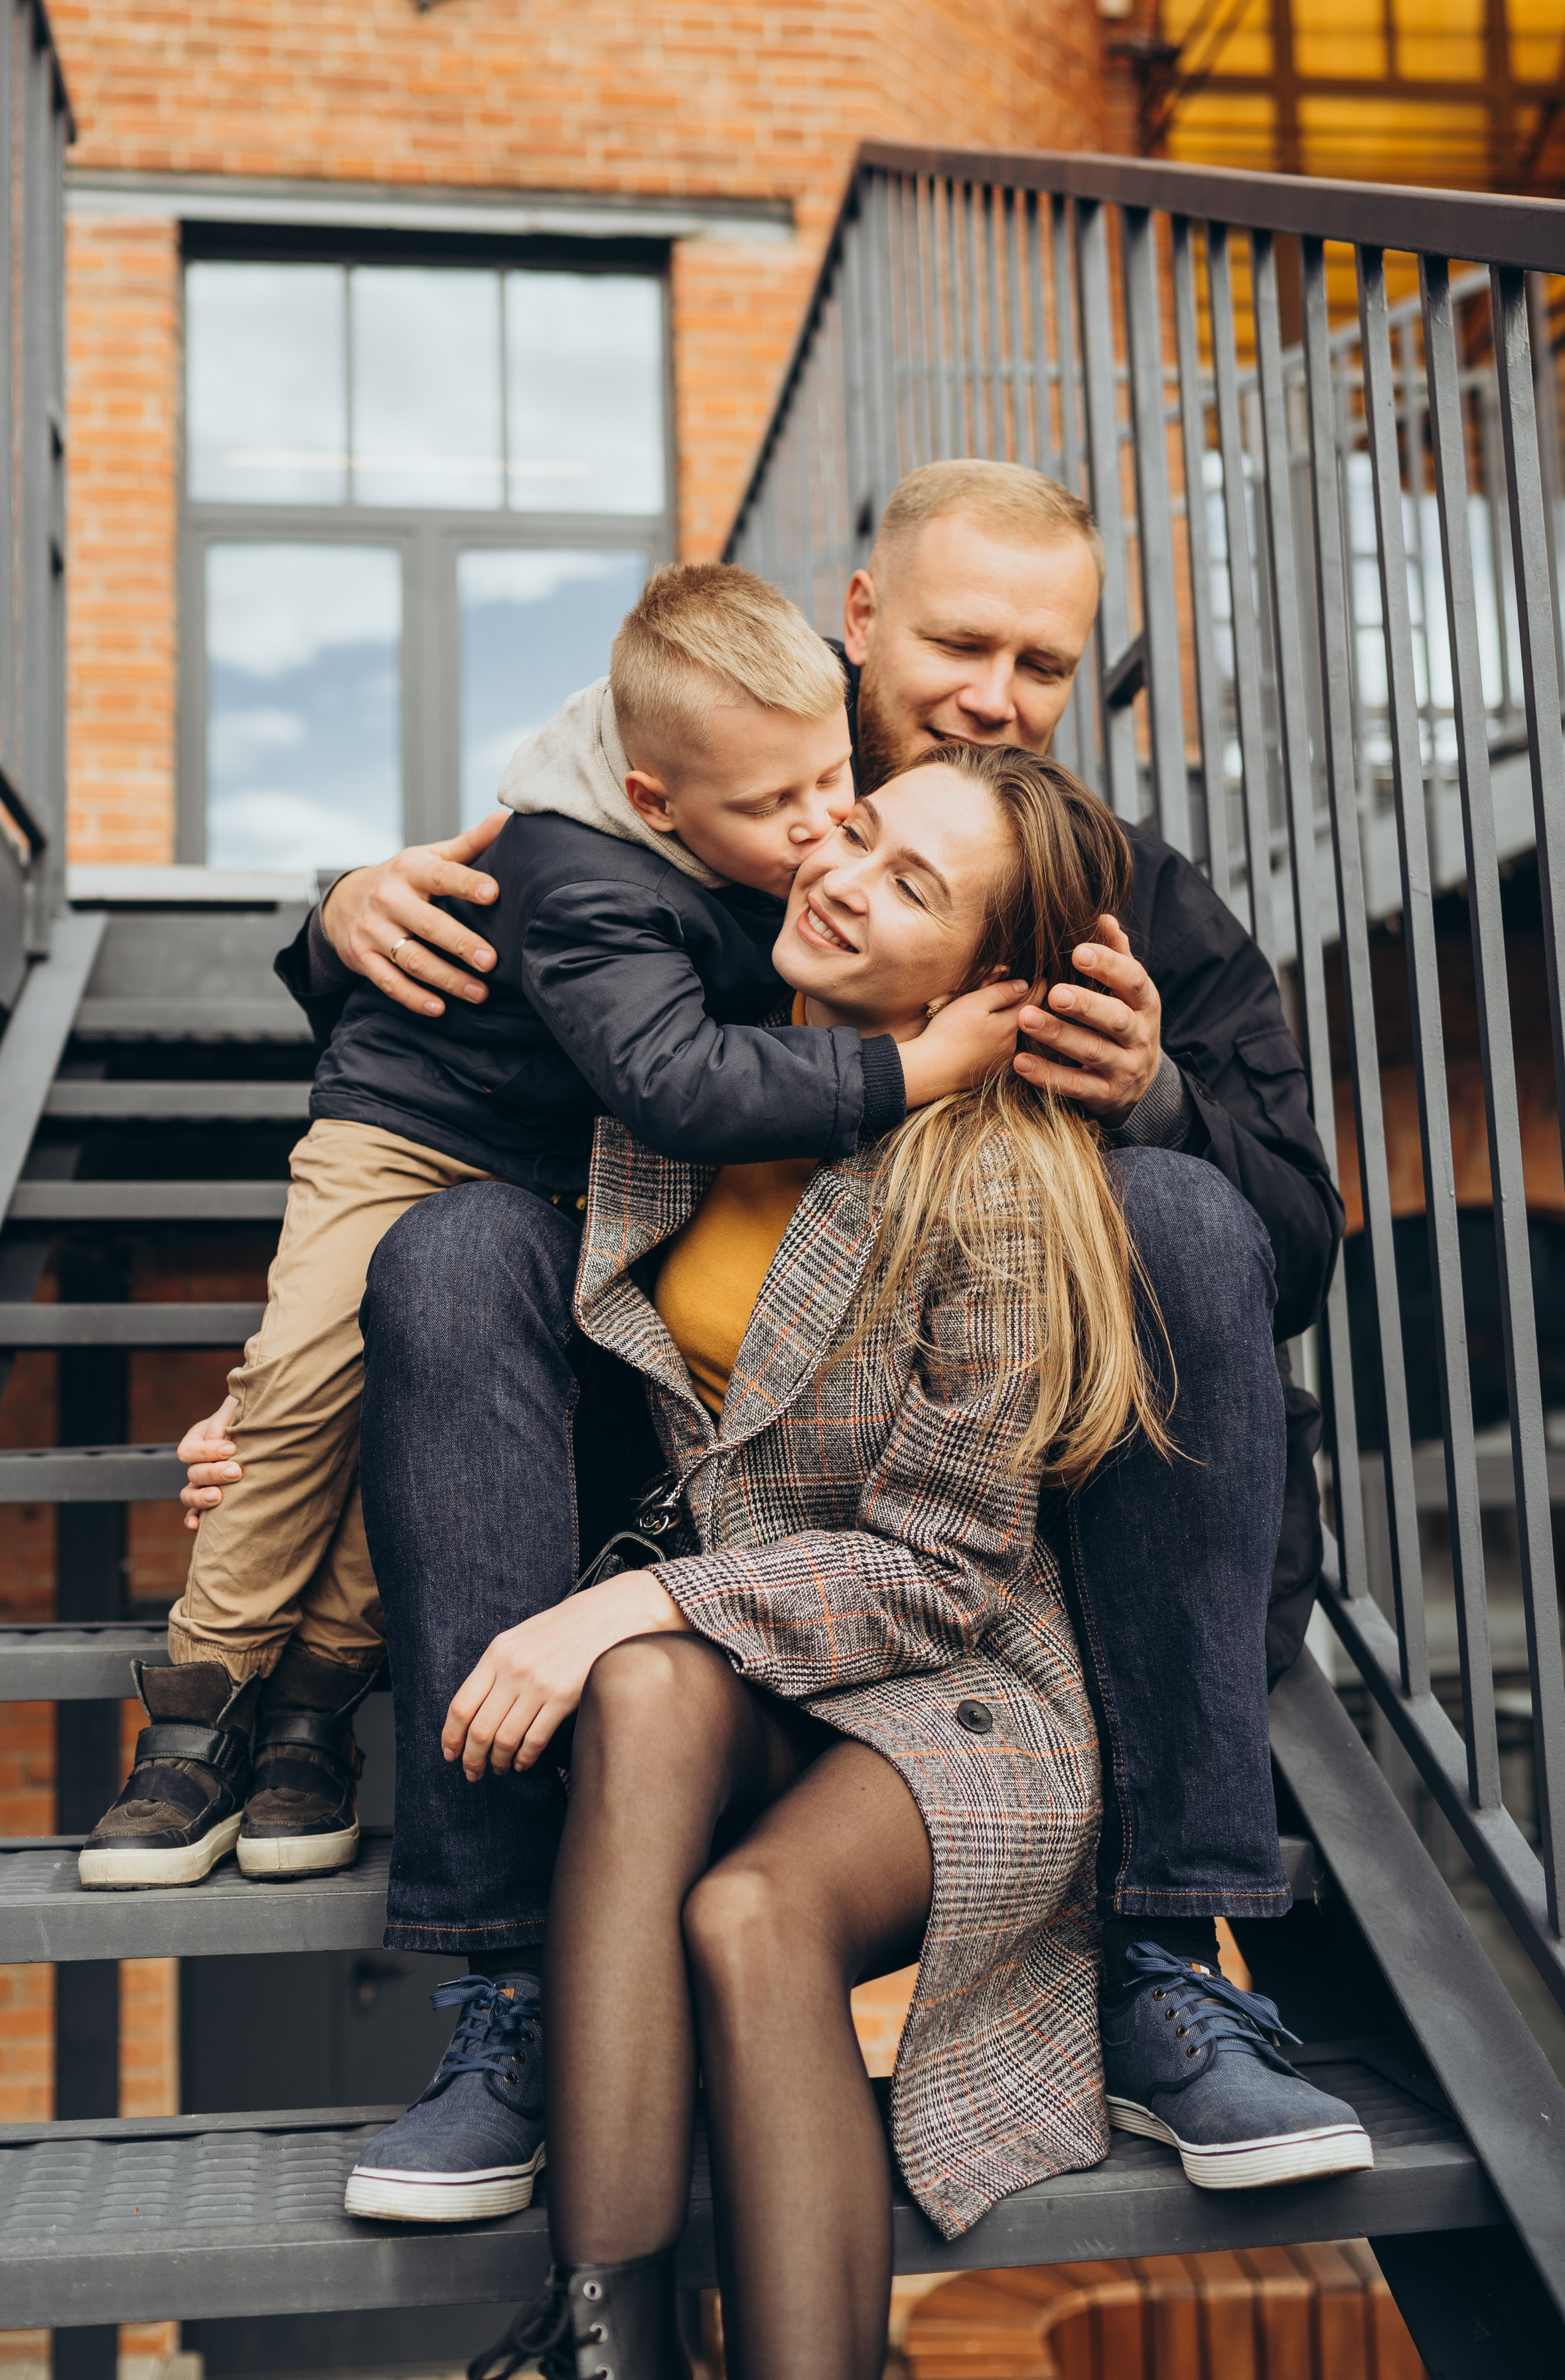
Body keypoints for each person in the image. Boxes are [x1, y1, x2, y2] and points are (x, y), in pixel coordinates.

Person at [263, 459, 1348, 2202]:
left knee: (1182, 1208)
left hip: (984, 1548)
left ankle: (1168, 1955)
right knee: (451, 1256)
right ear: (859, 617)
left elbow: (1289, 1252)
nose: (998, 696)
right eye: (959, 640)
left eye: (1046, 666)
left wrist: (1151, 1101)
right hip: (682, 1487)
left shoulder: (1127, 899)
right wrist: (327, 928)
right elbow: (485, 992)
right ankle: (507, 1984)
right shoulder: (708, 817)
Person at [350, 749, 1367, 2367]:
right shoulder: (685, 1089)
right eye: (860, 835)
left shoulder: (1002, 1179)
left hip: (966, 1692)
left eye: (909, 887)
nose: (839, 873)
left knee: (748, 1911)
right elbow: (407, 1076)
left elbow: (945, 1573)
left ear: (990, 981)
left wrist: (629, 1596)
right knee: (638, 1701)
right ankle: (604, 2343)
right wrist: (336, 914)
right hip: (767, 1665)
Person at [79, 565, 1018, 1891]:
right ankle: (194, 1720)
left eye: (835, 789)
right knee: (298, 1396)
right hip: (413, 1137)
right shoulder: (594, 875)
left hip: (543, 1182)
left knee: (410, 1383)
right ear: (654, 801)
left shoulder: (775, 743)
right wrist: (909, 1073)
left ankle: (313, 1714)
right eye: (774, 809)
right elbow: (681, 1086)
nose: (818, 834)